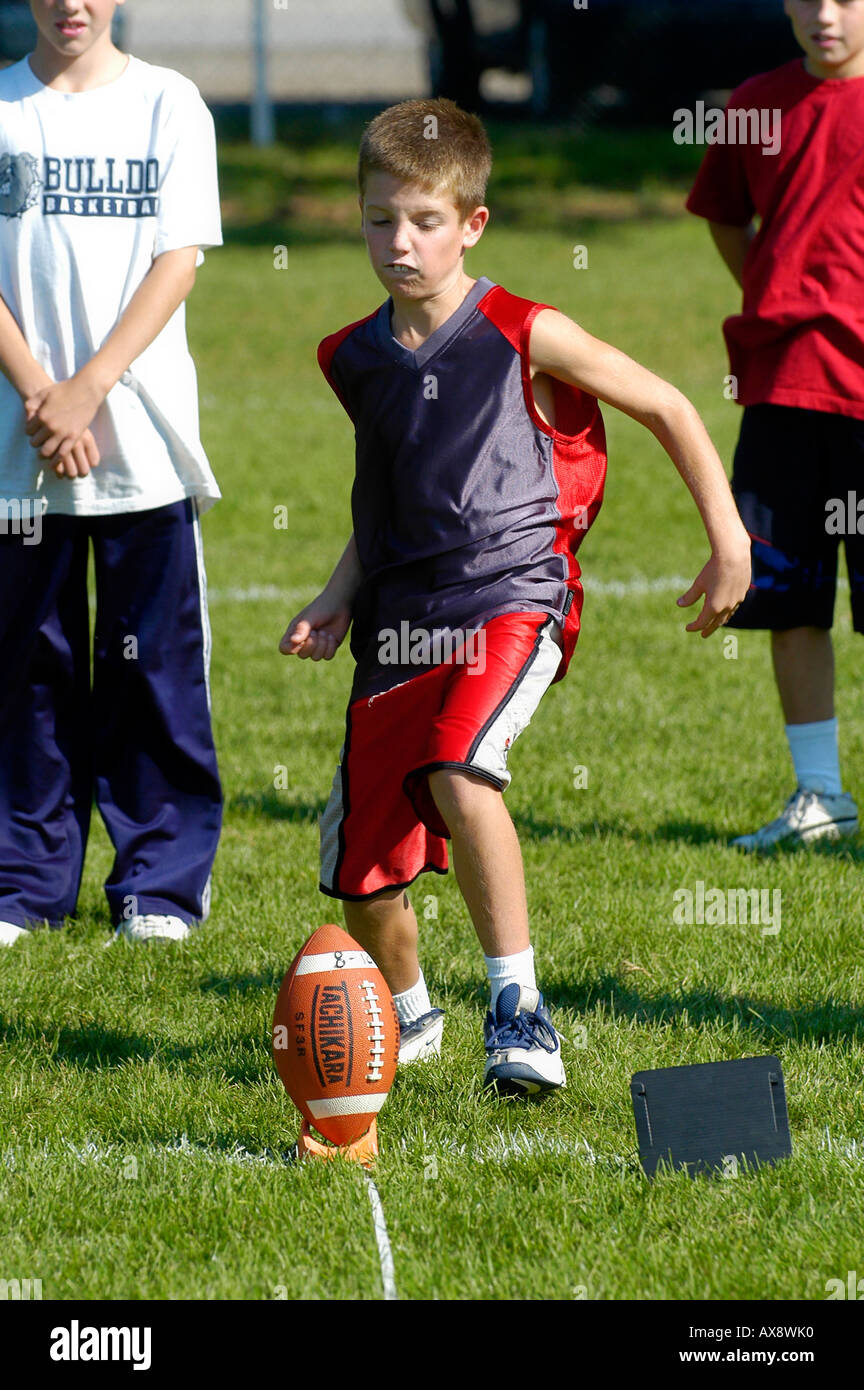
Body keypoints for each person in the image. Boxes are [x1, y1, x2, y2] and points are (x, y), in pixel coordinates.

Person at [281, 98, 750, 1094]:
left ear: (473, 224)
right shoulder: (352, 357)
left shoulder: (524, 329)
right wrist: (335, 595)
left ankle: (519, 1010)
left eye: (424, 221)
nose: (399, 242)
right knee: (363, 879)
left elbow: (667, 403)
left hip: (511, 596)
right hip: (396, 629)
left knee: (460, 763)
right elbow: (390, 500)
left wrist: (729, 535)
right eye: (378, 220)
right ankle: (411, 1016)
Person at [0, 0, 223, 946]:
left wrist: (89, 387)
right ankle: (22, 885)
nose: (71, 6)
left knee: (154, 674)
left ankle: (160, 887)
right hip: (20, 444)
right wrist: (41, 392)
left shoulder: (172, 105)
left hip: (140, 439)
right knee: (26, 671)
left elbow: (179, 260)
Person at [686, 0, 864, 851]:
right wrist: (772, 279)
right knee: (789, 598)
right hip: (783, 385)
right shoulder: (756, 102)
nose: (824, 14)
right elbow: (725, 211)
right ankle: (820, 794)